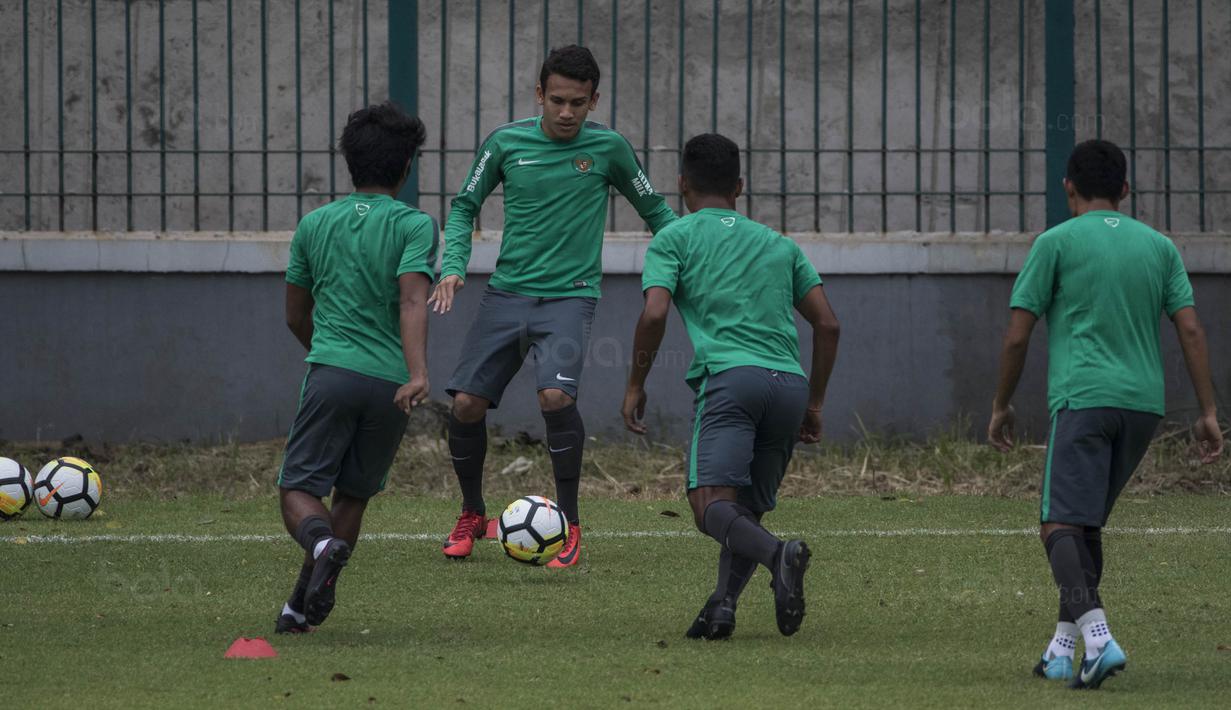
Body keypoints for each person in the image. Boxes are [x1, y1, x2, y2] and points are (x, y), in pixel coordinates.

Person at [428, 45, 677, 567]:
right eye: (558, 100)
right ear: (539, 94)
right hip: (507, 294)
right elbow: (465, 206)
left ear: (594, 101)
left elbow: (657, 211)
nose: (567, 112)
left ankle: (569, 525)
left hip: (570, 297)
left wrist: (699, 258)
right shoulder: (505, 142)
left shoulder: (609, 148)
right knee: (466, 405)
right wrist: (452, 264)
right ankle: (472, 513)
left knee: (555, 398)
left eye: (578, 103)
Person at [987, 139, 1223, 687]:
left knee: (1057, 524)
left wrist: (1001, 404)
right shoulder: (1159, 247)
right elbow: (1190, 329)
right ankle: (1061, 650)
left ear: (1067, 187)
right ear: (1124, 190)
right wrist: (1208, 411)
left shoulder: (1055, 242)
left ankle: (1099, 639)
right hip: (1143, 407)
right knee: (1085, 525)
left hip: (1083, 398)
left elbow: (1017, 337)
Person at [621, 133, 840, 639]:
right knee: (746, 508)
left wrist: (635, 383)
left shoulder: (673, 238)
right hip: (789, 385)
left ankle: (779, 555)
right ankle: (722, 607)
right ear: (739, 187)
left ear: (682, 184)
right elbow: (828, 325)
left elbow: (654, 313)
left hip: (732, 382)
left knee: (709, 506)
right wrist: (815, 403)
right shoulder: (779, 245)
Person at [274, 102, 435, 633]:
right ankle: (300, 606)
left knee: (298, 489)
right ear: (407, 166)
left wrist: (329, 353)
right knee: (354, 493)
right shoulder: (416, 225)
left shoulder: (314, 224)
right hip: (392, 383)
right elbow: (412, 299)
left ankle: (321, 545)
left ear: (347, 161)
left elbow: (295, 314)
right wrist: (417, 373)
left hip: (332, 372)